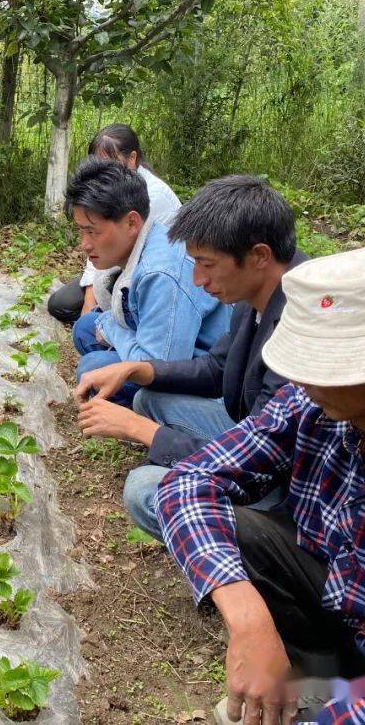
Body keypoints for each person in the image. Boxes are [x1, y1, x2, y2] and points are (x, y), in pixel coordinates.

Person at [156, 242, 365, 724]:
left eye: (317, 364)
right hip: (346, 615)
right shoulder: (312, 406)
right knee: (243, 532)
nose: (296, 377)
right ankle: (318, 682)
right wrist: (248, 619)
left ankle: (327, 701)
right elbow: (187, 483)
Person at [75, 175, 307, 541]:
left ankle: (256, 547)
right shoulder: (260, 292)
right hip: (252, 432)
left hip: (280, 481)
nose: (197, 279)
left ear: (259, 255)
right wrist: (137, 368)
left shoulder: (299, 327)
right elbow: (216, 368)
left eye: (208, 265)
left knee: (144, 490)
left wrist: (140, 430)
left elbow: (261, 460)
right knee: (147, 395)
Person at [65, 157, 229, 407]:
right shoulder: (148, 238)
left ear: (132, 222)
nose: (85, 244)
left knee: (91, 366)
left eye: (93, 232)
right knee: (85, 327)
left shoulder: (160, 273)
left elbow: (160, 365)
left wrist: (111, 326)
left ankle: (147, 412)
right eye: (82, 231)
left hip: (200, 367)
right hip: (173, 346)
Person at [48, 124, 182, 324]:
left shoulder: (151, 197)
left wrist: (95, 308)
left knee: (94, 320)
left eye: (110, 163)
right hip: (118, 260)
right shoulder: (110, 190)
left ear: (132, 158)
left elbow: (127, 258)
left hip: (144, 271)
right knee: (61, 304)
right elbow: (98, 241)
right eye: (97, 163)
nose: (102, 172)